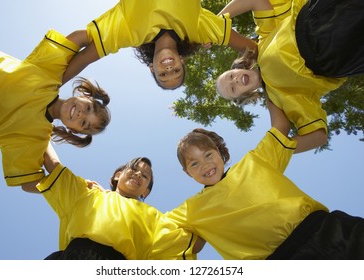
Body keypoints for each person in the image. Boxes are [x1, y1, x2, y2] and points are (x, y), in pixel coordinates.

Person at [164, 97, 364, 259]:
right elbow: (153, 229)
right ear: (187, 173)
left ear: (219, 152)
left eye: (208, 155)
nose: (205, 164)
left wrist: (268, 82)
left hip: (326, 229)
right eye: (194, 163)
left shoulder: (255, 160)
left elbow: (281, 126)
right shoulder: (191, 210)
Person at [215, 0, 364, 153]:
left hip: (316, 19)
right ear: (245, 95)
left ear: (238, 68)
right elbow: (319, 136)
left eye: (231, 75)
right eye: (233, 88)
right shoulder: (279, 98)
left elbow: (257, 1)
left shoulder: (264, 40)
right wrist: (278, 152)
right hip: (334, 56)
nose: (235, 80)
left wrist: (215, 21)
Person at [0, 30, 111, 191]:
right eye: (88, 108)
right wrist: (107, 33)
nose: (81, 114)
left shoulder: (36, 138)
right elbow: (78, 39)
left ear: (72, 130)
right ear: (84, 96)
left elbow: (29, 182)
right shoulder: (49, 74)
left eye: (84, 123)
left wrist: (74, 188)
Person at [33, 144, 204, 260]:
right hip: (70, 257)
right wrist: (43, 122)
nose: (138, 174)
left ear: (146, 191)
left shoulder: (155, 218)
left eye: (145, 176)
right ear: (117, 175)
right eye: (134, 169)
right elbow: (53, 164)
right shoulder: (87, 193)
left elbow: (193, 244)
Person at [61, 0, 255, 90]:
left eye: (163, 74)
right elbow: (252, 49)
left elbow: (85, 55)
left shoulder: (128, 32)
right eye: (176, 71)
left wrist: (50, 87)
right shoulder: (199, 30)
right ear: (181, 61)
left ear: (152, 68)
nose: (169, 68)